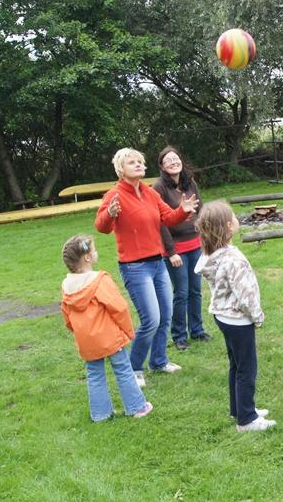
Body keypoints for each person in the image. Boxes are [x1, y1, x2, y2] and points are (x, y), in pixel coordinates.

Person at [95, 148, 198, 388]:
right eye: (132, 162)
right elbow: (101, 226)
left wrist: (183, 210)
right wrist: (109, 214)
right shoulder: (114, 195)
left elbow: (169, 218)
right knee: (151, 319)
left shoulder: (150, 193)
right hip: (135, 267)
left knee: (165, 315)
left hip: (158, 263)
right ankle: (134, 368)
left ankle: (159, 361)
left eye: (141, 161)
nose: (139, 164)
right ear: (121, 169)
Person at [195, 200, 275, 432]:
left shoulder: (214, 254)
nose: (237, 219)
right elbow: (245, 294)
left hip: (223, 317)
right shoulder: (232, 259)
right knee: (246, 369)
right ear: (229, 226)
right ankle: (246, 420)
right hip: (238, 320)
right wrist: (257, 316)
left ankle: (238, 409)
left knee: (236, 365)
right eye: (233, 216)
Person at [60, 234, 153, 421]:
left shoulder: (66, 285)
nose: (96, 252)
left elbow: (67, 316)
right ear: (87, 258)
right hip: (110, 338)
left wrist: (79, 332)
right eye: (94, 250)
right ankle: (137, 407)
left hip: (86, 341)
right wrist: (127, 330)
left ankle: (100, 415)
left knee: (94, 375)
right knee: (123, 369)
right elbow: (119, 308)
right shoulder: (100, 280)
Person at [152, 146, 211, 351]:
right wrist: (171, 252)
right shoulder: (159, 188)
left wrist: (206, 239)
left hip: (196, 244)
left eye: (175, 158)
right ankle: (179, 335)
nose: (173, 162)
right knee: (182, 292)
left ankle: (197, 330)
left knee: (196, 290)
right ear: (162, 166)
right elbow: (160, 222)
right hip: (175, 250)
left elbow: (201, 210)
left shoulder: (190, 182)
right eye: (168, 160)